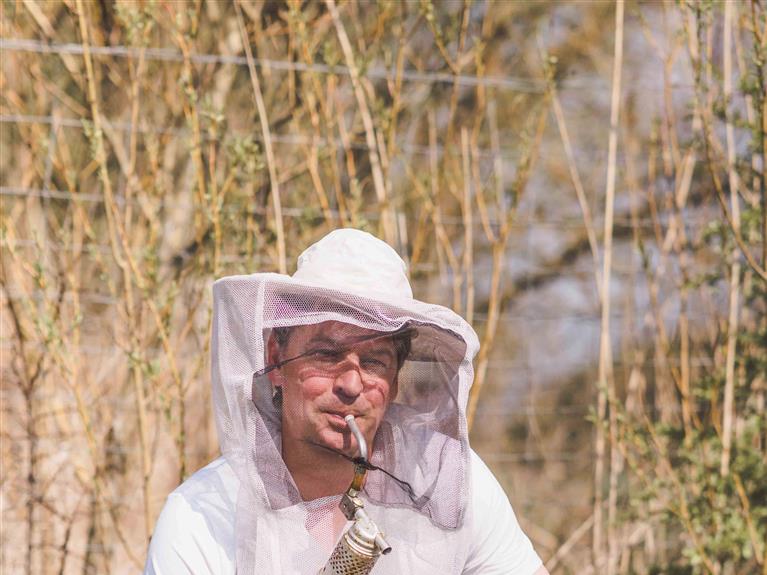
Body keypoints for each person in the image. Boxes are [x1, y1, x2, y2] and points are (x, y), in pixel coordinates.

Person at [144, 228, 548, 574]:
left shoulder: (450, 482)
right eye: (326, 354)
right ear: (275, 359)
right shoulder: (204, 514)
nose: (352, 384)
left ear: (396, 375)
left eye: (374, 361)